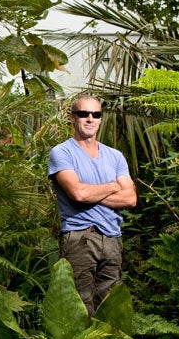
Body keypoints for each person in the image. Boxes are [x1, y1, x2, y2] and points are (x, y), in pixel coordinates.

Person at [48, 95, 137, 316]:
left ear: (100, 119)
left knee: (111, 307)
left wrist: (91, 192)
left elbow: (130, 199)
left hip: (112, 237)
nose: (90, 119)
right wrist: (113, 186)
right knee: (78, 307)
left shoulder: (115, 156)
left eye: (96, 114)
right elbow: (78, 194)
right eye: (83, 114)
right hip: (80, 236)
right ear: (72, 118)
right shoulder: (62, 152)